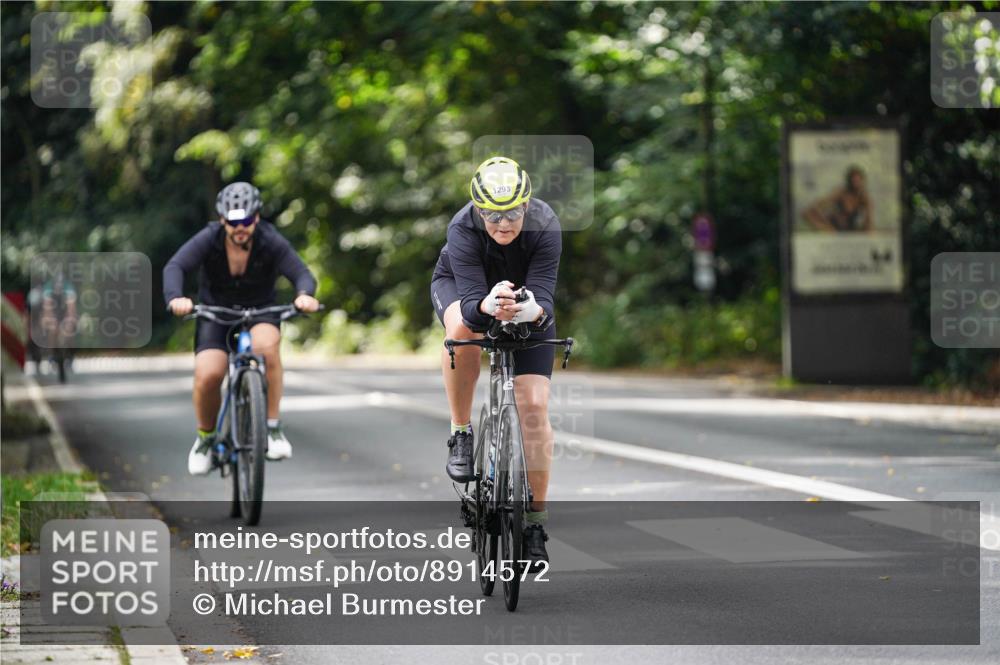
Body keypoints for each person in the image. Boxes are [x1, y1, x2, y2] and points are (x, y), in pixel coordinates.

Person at [430, 156, 561, 568]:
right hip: (464, 289)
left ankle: (535, 522)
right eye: (491, 215)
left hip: (523, 299)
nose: (503, 224)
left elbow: (546, 302)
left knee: (535, 408)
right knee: (462, 333)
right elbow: (470, 309)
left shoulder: (546, 224)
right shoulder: (461, 227)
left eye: (512, 213)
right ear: (477, 209)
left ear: (527, 205)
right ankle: (461, 432)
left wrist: (532, 311)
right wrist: (487, 304)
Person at [163, 182, 319, 475]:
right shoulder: (209, 239)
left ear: (256, 218)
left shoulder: (269, 240)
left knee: (267, 348)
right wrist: (176, 298)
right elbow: (175, 266)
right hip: (215, 312)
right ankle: (206, 439)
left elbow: (301, 273)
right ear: (223, 220)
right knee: (209, 374)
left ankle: (272, 428)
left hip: (261, 310)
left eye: (246, 221)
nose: (240, 228)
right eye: (234, 222)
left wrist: (304, 295)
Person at [802, 165, 873, 233]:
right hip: (834, 228)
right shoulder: (841, 193)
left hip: (849, 231)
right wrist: (827, 228)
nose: (856, 183)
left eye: (858, 181)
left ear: (862, 181)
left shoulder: (864, 197)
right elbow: (811, 210)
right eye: (854, 181)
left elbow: (868, 223)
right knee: (809, 214)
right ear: (849, 181)